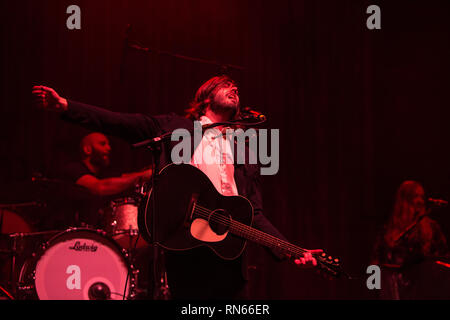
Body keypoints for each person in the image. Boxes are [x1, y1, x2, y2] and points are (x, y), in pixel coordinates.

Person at [32, 75, 320, 300]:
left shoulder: (245, 150)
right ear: (205, 97)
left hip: (231, 259)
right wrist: (66, 107)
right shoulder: (176, 128)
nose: (234, 88)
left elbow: (253, 213)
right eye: (225, 85)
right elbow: (120, 122)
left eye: (236, 87)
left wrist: (293, 250)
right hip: (188, 250)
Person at [371, 180, 449, 299]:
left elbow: (444, 258)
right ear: (403, 201)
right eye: (414, 196)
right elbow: (376, 263)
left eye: (422, 197)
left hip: (424, 289)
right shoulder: (388, 231)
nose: (419, 201)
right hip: (395, 290)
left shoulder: (432, 229)